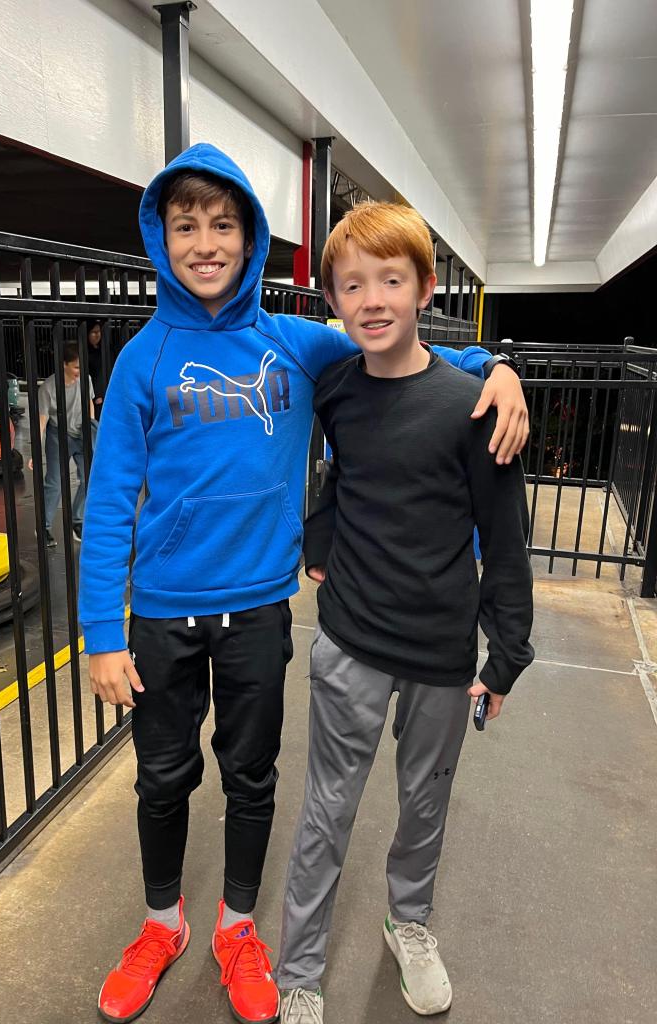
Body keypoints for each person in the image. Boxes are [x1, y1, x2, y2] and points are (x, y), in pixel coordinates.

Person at [78, 143, 529, 1024]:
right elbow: (108, 500)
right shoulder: (142, 358)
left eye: (223, 225)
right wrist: (101, 632)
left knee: (252, 777)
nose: (205, 243)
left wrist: (495, 365)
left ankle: (238, 931)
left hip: (258, 609)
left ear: (250, 239)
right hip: (163, 613)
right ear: (161, 239)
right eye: (185, 227)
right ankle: (161, 925)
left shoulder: (295, 343)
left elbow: (398, 347)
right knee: (161, 778)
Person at [275, 202, 534, 1023]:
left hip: (442, 653)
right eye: (353, 285)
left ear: (425, 289)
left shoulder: (473, 406)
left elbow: (506, 539)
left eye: (391, 280)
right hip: (350, 639)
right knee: (327, 810)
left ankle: (408, 922)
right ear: (333, 301)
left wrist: (508, 655)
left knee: (425, 803)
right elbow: (340, 473)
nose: (373, 300)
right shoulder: (334, 391)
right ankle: (299, 972)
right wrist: (320, 532)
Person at [30, 342, 95, 546]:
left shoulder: (85, 379)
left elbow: (89, 403)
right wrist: (35, 450)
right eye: (76, 367)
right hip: (58, 435)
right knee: (55, 483)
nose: (80, 371)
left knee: (90, 479)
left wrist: (91, 427)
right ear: (63, 364)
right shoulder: (48, 388)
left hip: (81, 433)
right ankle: (43, 527)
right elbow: (42, 421)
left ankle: (78, 521)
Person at [86, 321, 106, 420]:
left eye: (99, 332)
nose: (97, 335)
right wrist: (97, 394)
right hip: (93, 396)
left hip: (105, 394)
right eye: (93, 332)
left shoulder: (105, 349)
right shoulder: (85, 352)